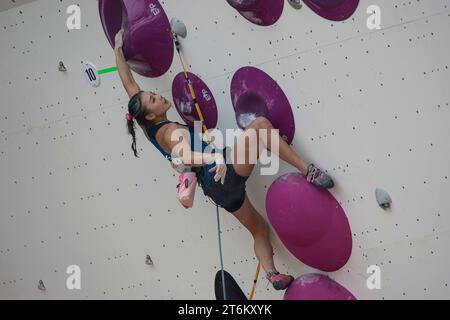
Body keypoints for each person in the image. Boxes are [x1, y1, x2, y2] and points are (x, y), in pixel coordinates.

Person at [114, 29, 334, 291]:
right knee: (261, 126)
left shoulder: (148, 128)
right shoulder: (172, 132)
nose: (159, 97)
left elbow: (130, 86)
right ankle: (307, 170)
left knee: (259, 230)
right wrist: (211, 158)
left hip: (218, 192)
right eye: (154, 99)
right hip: (222, 171)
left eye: (153, 94)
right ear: (150, 114)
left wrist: (118, 50)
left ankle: (272, 273)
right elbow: (184, 155)